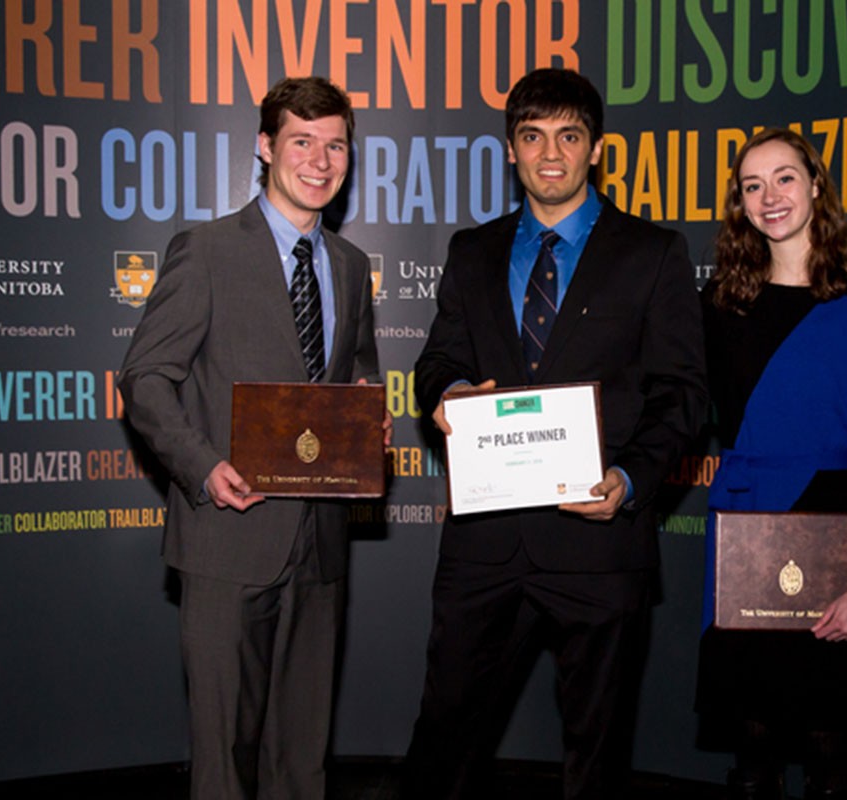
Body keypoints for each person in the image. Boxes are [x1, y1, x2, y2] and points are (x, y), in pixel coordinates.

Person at [404, 68, 708, 800]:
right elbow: (439, 361)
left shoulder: (652, 252)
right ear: (510, 150)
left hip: (598, 545)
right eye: (532, 135)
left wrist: (630, 480)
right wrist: (447, 397)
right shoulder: (471, 251)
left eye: (568, 136)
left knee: (595, 758)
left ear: (595, 149)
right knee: (445, 741)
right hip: (485, 542)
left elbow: (684, 396)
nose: (550, 153)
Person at [119, 77, 388, 799]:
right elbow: (145, 378)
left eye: (336, 146)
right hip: (226, 536)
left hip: (321, 542)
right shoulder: (205, 250)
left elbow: (358, 371)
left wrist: (367, 412)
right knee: (223, 760)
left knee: (301, 759)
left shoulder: (351, 267)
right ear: (266, 147)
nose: (321, 161)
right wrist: (203, 468)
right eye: (302, 142)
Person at [695, 127, 847, 800]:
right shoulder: (718, 306)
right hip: (745, 534)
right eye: (752, 185)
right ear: (739, 204)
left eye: (785, 178)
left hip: (833, 541)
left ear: (816, 186)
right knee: (752, 758)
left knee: (830, 763)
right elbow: (667, 405)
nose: (769, 196)